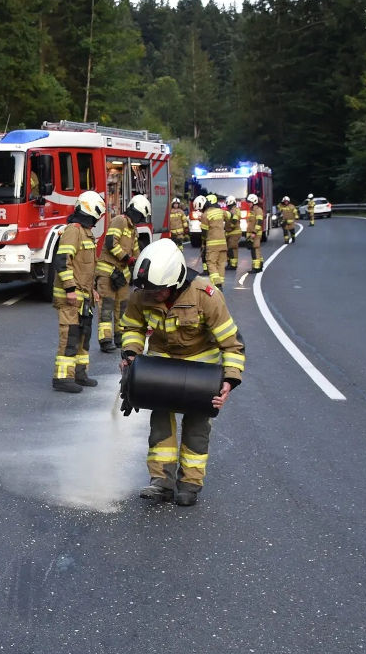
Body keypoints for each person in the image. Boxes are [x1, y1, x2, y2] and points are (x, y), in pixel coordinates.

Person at [118, 239, 245, 507]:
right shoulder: (143, 293)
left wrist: (229, 380)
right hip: (162, 366)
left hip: (201, 371)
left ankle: (189, 484)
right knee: (160, 424)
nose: (152, 296)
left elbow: (232, 344)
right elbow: (132, 327)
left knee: (197, 428)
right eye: (148, 291)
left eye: (158, 291)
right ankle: (161, 483)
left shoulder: (205, 296)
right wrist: (130, 353)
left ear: (175, 281)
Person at [52, 190, 105, 393]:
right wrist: (71, 290)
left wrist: (92, 290)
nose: (98, 218)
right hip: (70, 297)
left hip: (84, 297)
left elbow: (85, 268)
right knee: (70, 335)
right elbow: (62, 261)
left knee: (84, 334)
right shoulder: (73, 231)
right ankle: (63, 378)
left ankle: (80, 374)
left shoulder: (86, 233)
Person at [95, 201, 136, 353]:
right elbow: (111, 243)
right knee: (106, 306)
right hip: (107, 272)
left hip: (122, 275)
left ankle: (120, 337)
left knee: (123, 307)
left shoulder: (133, 229)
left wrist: (139, 264)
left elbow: (136, 251)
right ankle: (105, 340)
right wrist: (127, 258)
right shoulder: (120, 220)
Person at [200, 194, 230, 289]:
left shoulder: (205, 215)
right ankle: (220, 284)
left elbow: (204, 232)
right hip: (223, 243)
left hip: (212, 244)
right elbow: (231, 216)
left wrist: (203, 243)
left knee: (211, 263)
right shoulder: (221, 211)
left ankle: (217, 284)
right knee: (221, 263)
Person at [244, 193, 265, 272]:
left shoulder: (258, 210)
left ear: (253, 202)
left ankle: (256, 268)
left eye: (249, 202)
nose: (248, 204)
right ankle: (259, 265)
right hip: (252, 233)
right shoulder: (252, 211)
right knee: (256, 249)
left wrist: (254, 232)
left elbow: (259, 222)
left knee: (255, 249)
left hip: (255, 234)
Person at [224, 196, 242, 273]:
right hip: (229, 232)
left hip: (234, 232)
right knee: (228, 248)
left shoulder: (236, 210)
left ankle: (233, 265)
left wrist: (229, 227)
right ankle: (229, 263)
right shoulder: (230, 210)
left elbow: (234, 221)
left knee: (232, 247)